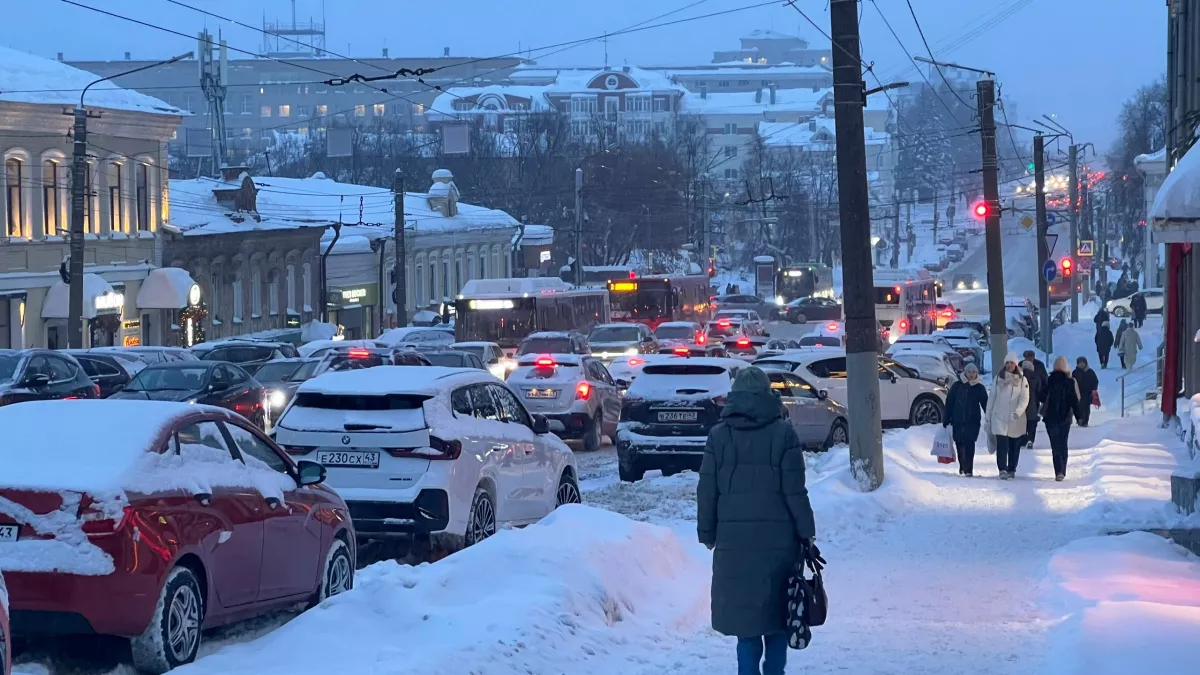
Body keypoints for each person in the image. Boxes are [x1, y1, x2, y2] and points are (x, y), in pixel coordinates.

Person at [698, 366, 815, 675]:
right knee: (777, 622)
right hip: (779, 545)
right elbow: (795, 492)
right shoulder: (784, 433)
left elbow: (707, 490)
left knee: (747, 628)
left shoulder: (718, 436)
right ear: (767, 395)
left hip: (733, 547)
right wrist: (807, 533)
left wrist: (708, 533)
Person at [986, 353, 1031, 480]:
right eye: (1007, 363)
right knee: (1002, 444)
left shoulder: (1022, 380)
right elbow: (992, 397)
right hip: (999, 417)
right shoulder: (998, 378)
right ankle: (1002, 469)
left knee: (1014, 446)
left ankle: (1012, 468)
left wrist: (1018, 411)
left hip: (1016, 419)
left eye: (1011, 363)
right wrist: (988, 415)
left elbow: (1025, 398)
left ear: (1016, 364)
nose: (1009, 365)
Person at [943, 362, 988, 477]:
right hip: (957, 420)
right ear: (965, 373)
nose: (971, 375)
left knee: (970, 443)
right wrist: (946, 418)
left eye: (974, 372)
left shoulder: (979, 388)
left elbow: (985, 404)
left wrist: (989, 417)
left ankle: (969, 469)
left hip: (972, 421)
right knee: (959, 443)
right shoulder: (957, 386)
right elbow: (950, 403)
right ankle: (962, 465)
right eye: (969, 372)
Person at [1042, 356, 1082, 481]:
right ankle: (1062, 470)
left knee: (1055, 445)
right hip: (1065, 417)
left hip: (1050, 418)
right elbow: (1074, 401)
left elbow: (1042, 396)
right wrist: (1079, 416)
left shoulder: (1049, 380)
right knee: (1063, 443)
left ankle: (1057, 470)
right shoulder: (1069, 382)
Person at [1021, 350, 1048, 449]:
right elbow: (1044, 382)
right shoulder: (1038, 368)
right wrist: (1044, 398)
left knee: (1024, 420)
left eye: (1031, 356)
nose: (1030, 358)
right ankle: (1030, 439)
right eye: (1028, 356)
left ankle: (1025, 439)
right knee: (1032, 420)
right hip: (1034, 399)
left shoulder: (1021, 366)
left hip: (1026, 400)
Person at [1073, 356, 1100, 428]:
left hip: (1088, 393)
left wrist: (1094, 389)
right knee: (1078, 407)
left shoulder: (1090, 372)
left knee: (1086, 408)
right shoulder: (1075, 372)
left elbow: (1095, 381)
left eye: (1083, 363)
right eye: (1080, 363)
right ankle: (1080, 419)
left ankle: (1085, 421)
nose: (1081, 365)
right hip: (1078, 393)